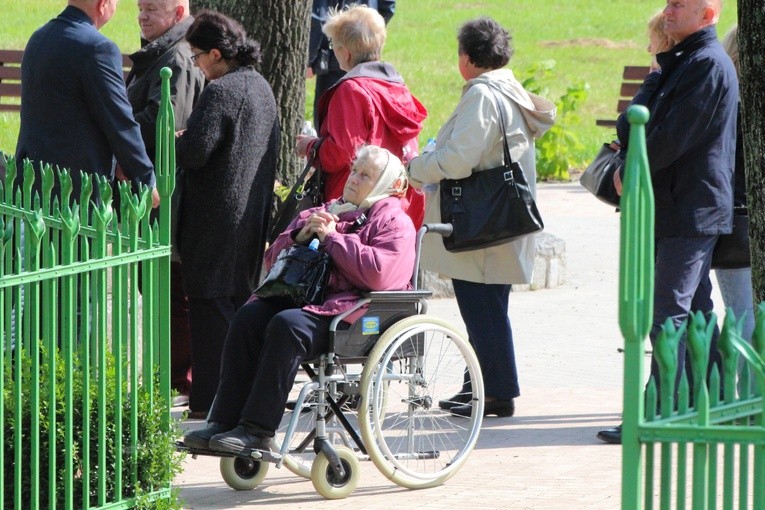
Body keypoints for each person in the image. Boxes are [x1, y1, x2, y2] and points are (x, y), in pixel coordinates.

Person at [183, 145, 416, 452]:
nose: (354, 180)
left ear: (387, 183)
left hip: (355, 313)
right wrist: (299, 236)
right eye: (354, 171)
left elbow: (380, 275)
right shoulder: (326, 211)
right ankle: (224, 421)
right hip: (310, 301)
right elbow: (271, 261)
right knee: (248, 317)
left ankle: (258, 430)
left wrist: (333, 239)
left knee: (287, 325)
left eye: (366, 176)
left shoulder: (394, 223)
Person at [597, 0, 738, 444]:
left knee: (668, 313)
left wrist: (632, 167)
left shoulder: (707, 64)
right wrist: (655, 75)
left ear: (707, 15)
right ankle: (715, 402)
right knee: (693, 309)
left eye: (680, 4)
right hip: (676, 205)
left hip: (691, 208)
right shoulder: (679, 61)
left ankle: (657, 411)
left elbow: (669, 138)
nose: (669, 9)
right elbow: (630, 127)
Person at [407, 17, 556, 418]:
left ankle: (496, 392)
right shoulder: (510, 89)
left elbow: (459, 159)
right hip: (500, 218)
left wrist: (418, 168)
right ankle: (482, 387)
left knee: (482, 309)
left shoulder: (483, 96)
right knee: (489, 308)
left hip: (481, 222)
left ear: (468, 58)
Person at [175, 10, 280, 418]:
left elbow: (197, 152)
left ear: (217, 54)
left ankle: (210, 405)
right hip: (249, 218)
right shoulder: (261, 87)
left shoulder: (220, 92)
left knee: (208, 313)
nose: (196, 65)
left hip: (214, 220)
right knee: (237, 310)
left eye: (197, 56)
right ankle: (235, 400)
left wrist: (175, 139)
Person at [126, 0, 205, 407]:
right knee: (157, 285)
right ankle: (170, 375)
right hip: (153, 190)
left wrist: (116, 126)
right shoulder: (160, 51)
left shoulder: (176, 56)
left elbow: (166, 123)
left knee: (171, 288)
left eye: (151, 9)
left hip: (168, 193)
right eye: (140, 8)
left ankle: (177, 379)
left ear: (177, 12)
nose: (141, 16)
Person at [296, 4, 427, 230]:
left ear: (345, 53)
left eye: (334, 46)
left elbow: (340, 153)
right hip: (393, 206)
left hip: (353, 209)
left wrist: (309, 147)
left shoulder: (352, 91)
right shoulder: (397, 86)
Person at [14, 0, 157, 203]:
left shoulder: (39, 38)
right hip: (75, 192)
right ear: (103, 4)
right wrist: (145, 180)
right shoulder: (98, 49)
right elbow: (119, 122)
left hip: (31, 182)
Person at [716, 24, 754, 346]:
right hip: (740, 225)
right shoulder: (736, 105)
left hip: (737, 223)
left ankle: (745, 396)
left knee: (743, 319)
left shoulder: (727, 104)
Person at [307, 0, 396, 126]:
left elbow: (338, 142)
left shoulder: (347, 92)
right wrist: (371, 35)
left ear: (345, 53)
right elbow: (388, 5)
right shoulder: (393, 83)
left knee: (329, 121)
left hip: (333, 60)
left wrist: (311, 60)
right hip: (365, 39)